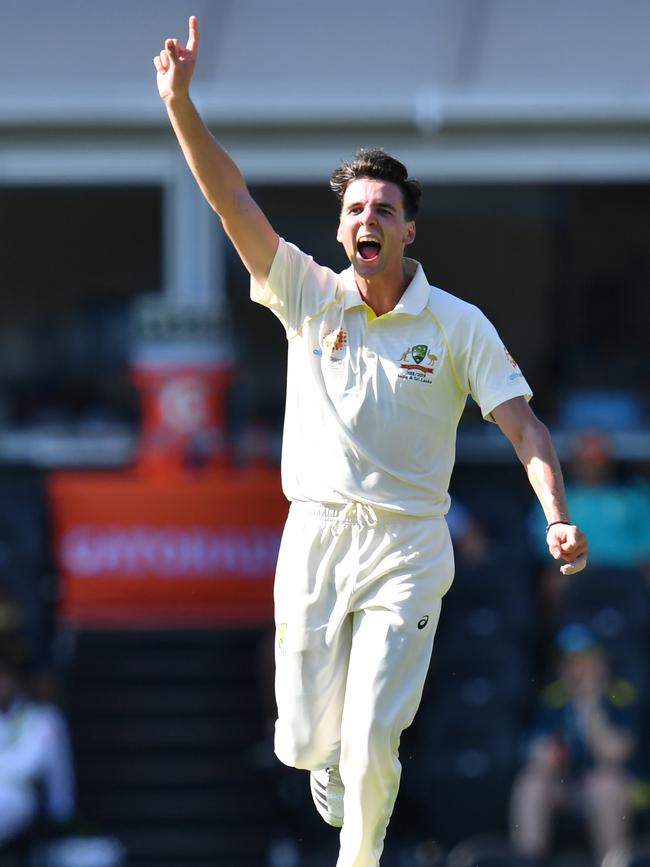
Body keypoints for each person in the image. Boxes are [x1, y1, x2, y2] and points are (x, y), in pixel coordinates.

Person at [154, 18, 588, 866]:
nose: (368, 217)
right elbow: (231, 200)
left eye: (384, 208)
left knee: (371, 740)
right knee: (307, 735)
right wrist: (180, 104)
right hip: (315, 535)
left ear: (408, 230)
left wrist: (556, 517)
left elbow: (524, 425)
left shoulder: (458, 326)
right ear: (342, 224)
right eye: (355, 207)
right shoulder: (309, 297)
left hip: (409, 545)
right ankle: (320, 761)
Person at [509, 624, 639, 864]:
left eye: (585, 662)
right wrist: (543, 756)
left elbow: (614, 754)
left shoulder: (621, 696)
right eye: (571, 663)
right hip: (570, 788)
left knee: (604, 786)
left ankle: (613, 861)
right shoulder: (554, 699)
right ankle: (527, 861)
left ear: (601, 663)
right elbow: (538, 751)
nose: (578, 671)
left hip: (620, 787)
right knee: (530, 786)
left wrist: (589, 707)